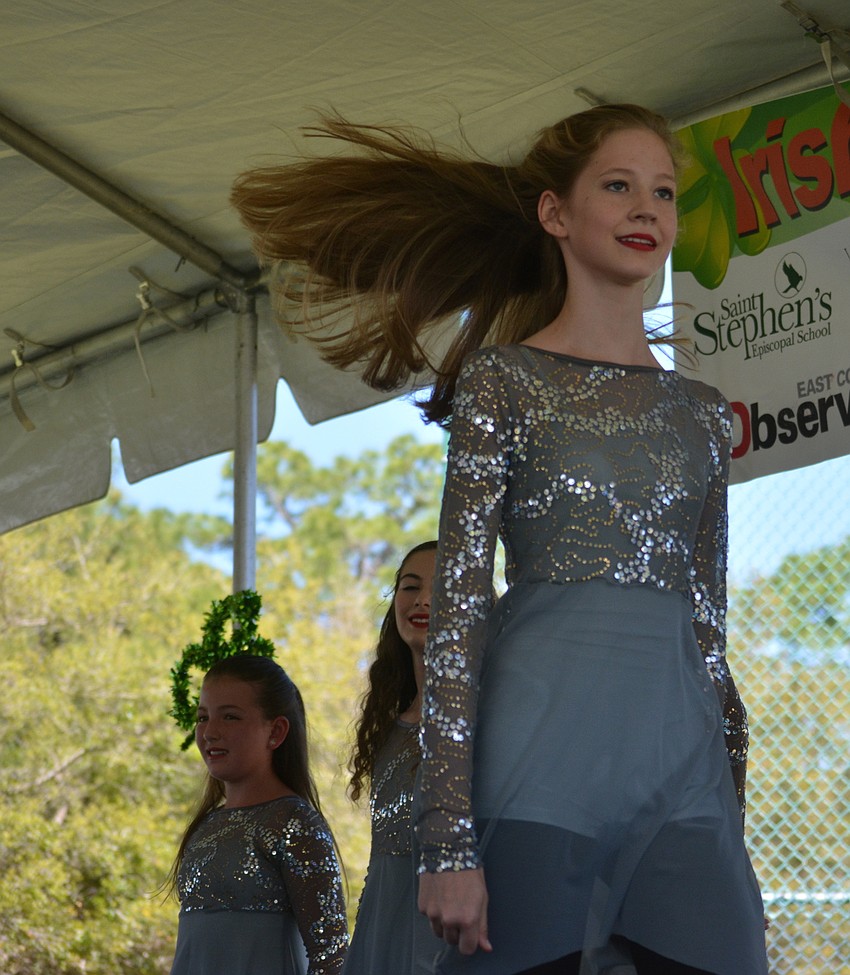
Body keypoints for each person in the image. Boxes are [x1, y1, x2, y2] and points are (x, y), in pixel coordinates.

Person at [232, 103, 767, 974]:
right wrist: (447, 839)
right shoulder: (504, 383)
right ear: (556, 213)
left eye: (663, 192)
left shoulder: (702, 414)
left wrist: (732, 811)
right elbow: (461, 615)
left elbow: (710, 633)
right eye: (619, 186)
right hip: (541, 771)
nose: (647, 210)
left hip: (683, 781)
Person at [168, 654, 348, 975]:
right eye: (202, 717)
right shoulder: (204, 827)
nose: (210, 731)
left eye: (230, 717)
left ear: (276, 732)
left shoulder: (294, 823)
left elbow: (331, 955)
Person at [343, 540, 444, 974]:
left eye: (441, 587)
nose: (421, 599)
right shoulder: (389, 731)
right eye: (409, 586)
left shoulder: (491, 718)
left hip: (448, 937)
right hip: (382, 938)